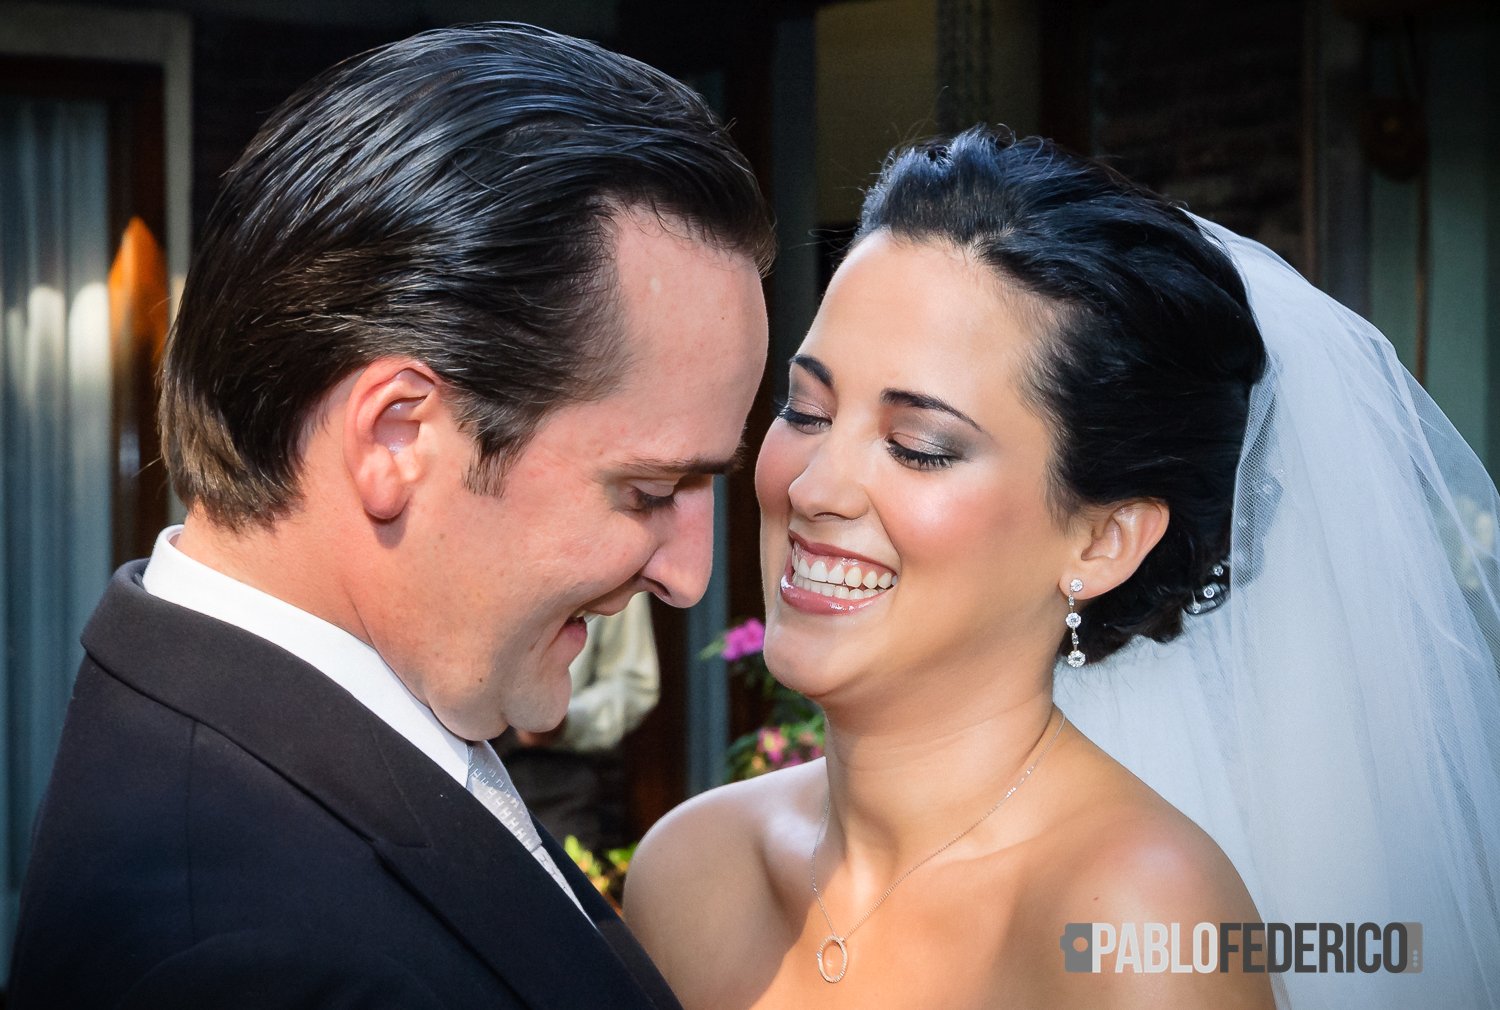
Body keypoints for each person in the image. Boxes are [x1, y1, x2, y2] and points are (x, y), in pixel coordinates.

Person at [625, 127, 1500, 1009]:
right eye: (806, 409)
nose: (813, 487)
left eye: (919, 445)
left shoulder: (1142, 928)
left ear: (1104, 539)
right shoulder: (693, 870)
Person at [8, 23, 772, 1009]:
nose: (690, 576)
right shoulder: (254, 962)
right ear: (396, 437)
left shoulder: (321, 737)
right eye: (649, 491)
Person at [499, 593, 662, 854]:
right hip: (458, 747)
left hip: (555, 766)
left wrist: (565, 721)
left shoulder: (616, 574)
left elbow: (634, 684)